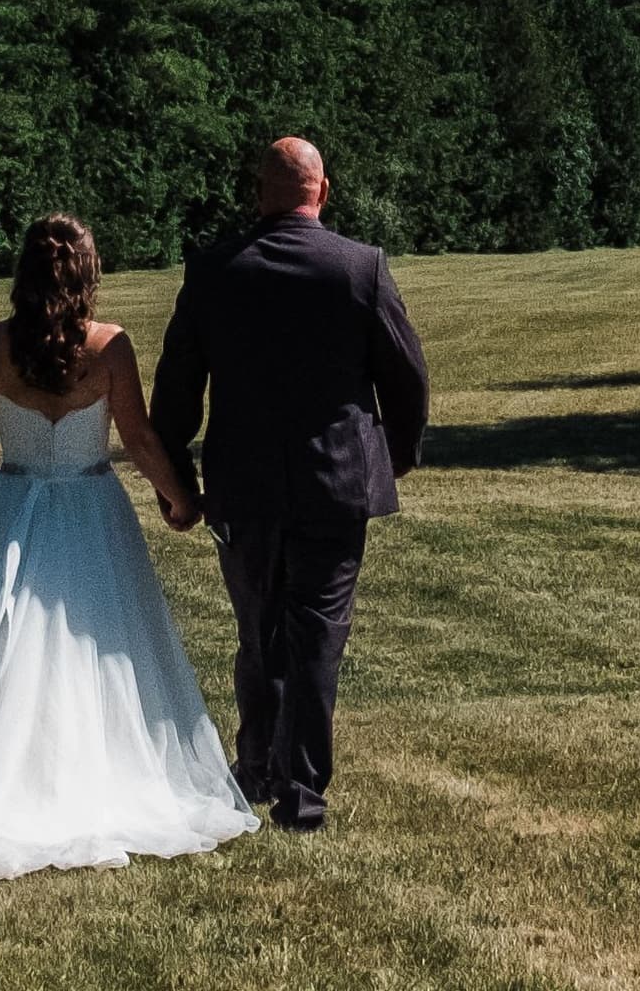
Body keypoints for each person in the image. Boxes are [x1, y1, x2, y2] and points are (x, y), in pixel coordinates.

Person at [0, 213, 258, 878]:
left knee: (3, 644)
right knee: (97, 641)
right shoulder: (110, 346)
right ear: (87, 272)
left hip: (13, 508)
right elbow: (136, 438)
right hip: (91, 506)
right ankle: (90, 775)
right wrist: (179, 500)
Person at [150, 135, 431, 835]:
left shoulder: (214, 271)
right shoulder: (359, 268)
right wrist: (395, 454)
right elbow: (406, 374)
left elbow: (178, 386)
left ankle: (257, 766)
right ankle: (303, 791)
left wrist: (175, 480)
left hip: (242, 485)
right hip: (336, 482)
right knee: (317, 636)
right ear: (322, 191)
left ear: (259, 193)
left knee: (258, 631)